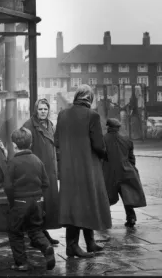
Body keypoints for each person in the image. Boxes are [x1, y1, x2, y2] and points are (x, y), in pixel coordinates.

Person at [54, 84, 112, 258]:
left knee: (75, 203)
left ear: (76, 97)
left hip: (68, 167)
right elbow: (98, 145)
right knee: (87, 202)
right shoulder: (92, 116)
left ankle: (89, 243)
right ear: (90, 99)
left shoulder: (63, 114)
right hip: (87, 166)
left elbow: (57, 140)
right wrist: (105, 154)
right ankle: (73, 246)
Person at [4, 127, 56, 271]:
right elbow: (46, 183)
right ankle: (46, 247)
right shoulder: (37, 160)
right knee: (35, 229)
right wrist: (38, 196)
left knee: (15, 231)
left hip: (20, 201)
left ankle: (21, 263)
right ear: (31, 144)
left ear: (14, 145)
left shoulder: (13, 162)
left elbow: (8, 186)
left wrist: (12, 201)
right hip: (37, 201)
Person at [22, 98, 60, 245]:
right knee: (38, 204)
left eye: (45, 109)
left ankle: (43, 232)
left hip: (50, 171)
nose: (43, 112)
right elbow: (24, 147)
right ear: (35, 110)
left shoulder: (51, 125)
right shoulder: (29, 126)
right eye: (40, 109)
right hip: (37, 170)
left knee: (48, 204)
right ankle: (36, 235)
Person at [102, 118, 147, 227]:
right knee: (127, 195)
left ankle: (104, 219)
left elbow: (100, 155)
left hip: (108, 171)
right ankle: (131, 218)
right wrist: (132, 168)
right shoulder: (126, 140)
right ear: (118, 128)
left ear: (108, 127)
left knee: (105, 196)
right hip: (126, 170)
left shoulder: (102, 139)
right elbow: (131, 158)